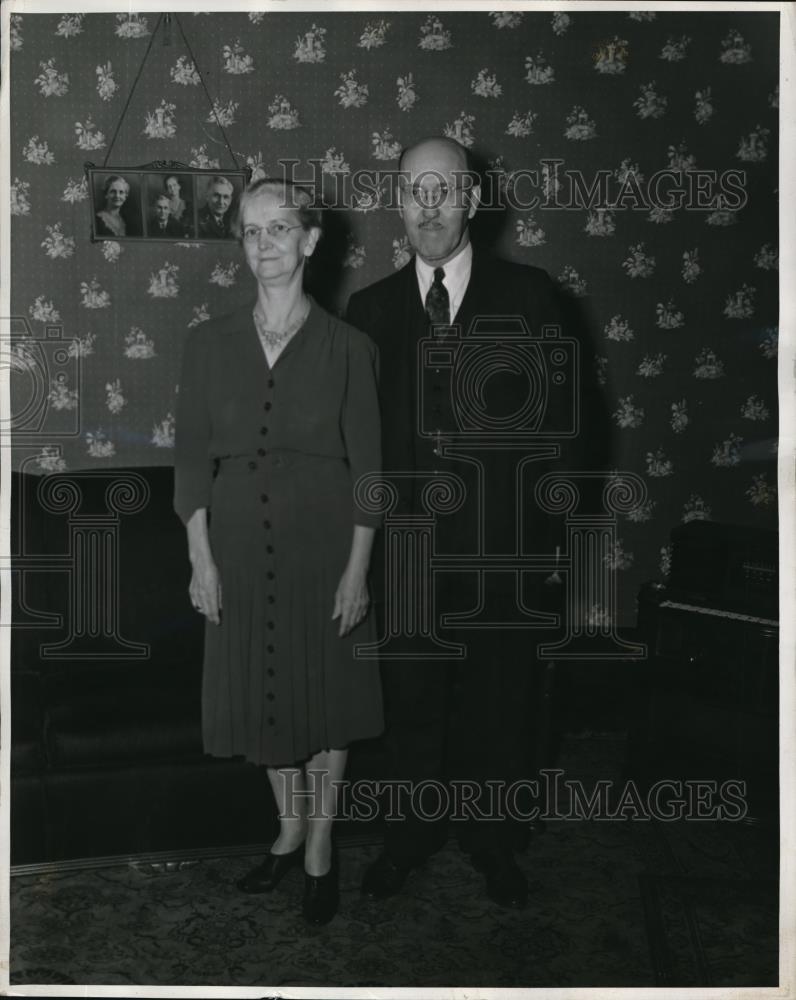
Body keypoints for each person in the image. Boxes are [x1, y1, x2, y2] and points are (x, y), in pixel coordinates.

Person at [346, 136, 572, 910]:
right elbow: (357, 447)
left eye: (446, 189)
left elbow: (572, 434)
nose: (430, 205)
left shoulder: (532, 296)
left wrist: (542, 543)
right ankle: (409, 839)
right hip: (406, 559)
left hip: (503, 555)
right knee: (411, 705)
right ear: (399, 206)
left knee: (501, 706)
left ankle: (495, 841)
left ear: (473, 201)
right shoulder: (369, 312)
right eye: (415, 191)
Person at [174, 177, 384, 925]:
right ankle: (288, 824)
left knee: (324, 704)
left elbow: (370, 474)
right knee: (262, 695)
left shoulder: (350, 347)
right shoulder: (207, 343)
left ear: (310, 240)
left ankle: (320, 843)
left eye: (280, 227)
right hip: (233, 545)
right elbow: (192, 461)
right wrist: (200, 558)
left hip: (325, 551)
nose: (264, 243)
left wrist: (358, 571)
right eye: (251, 230)